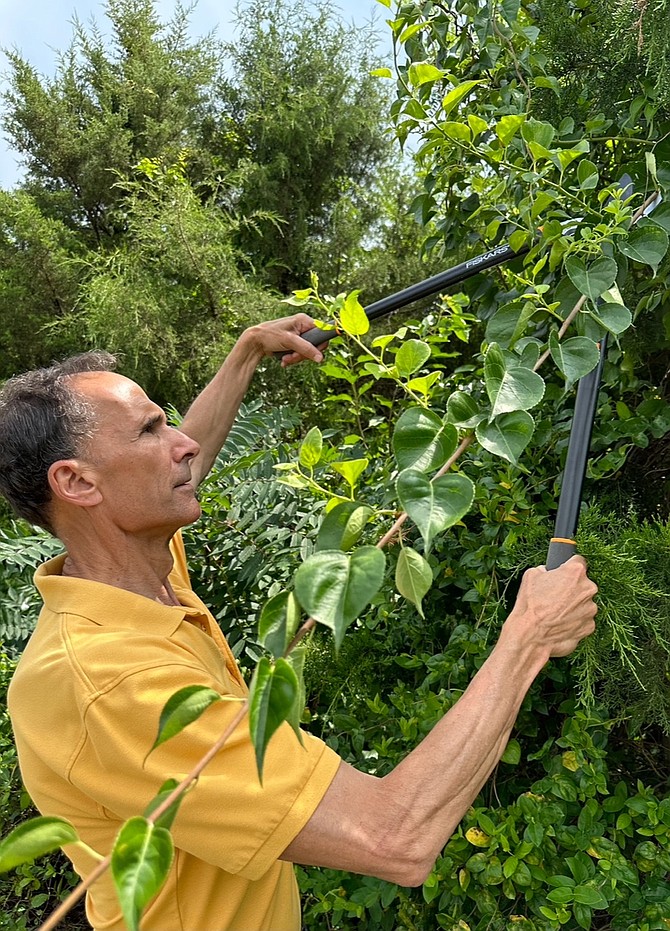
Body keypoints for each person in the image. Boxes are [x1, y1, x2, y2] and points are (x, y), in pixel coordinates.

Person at [1, 314, 598, 931]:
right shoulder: (114, 680)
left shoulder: (134, 571)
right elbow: (394, 835)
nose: (184, 444)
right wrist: (528, 638)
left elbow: (184, 467)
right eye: (151, 430)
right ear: (76, 482)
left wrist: (245, 356)